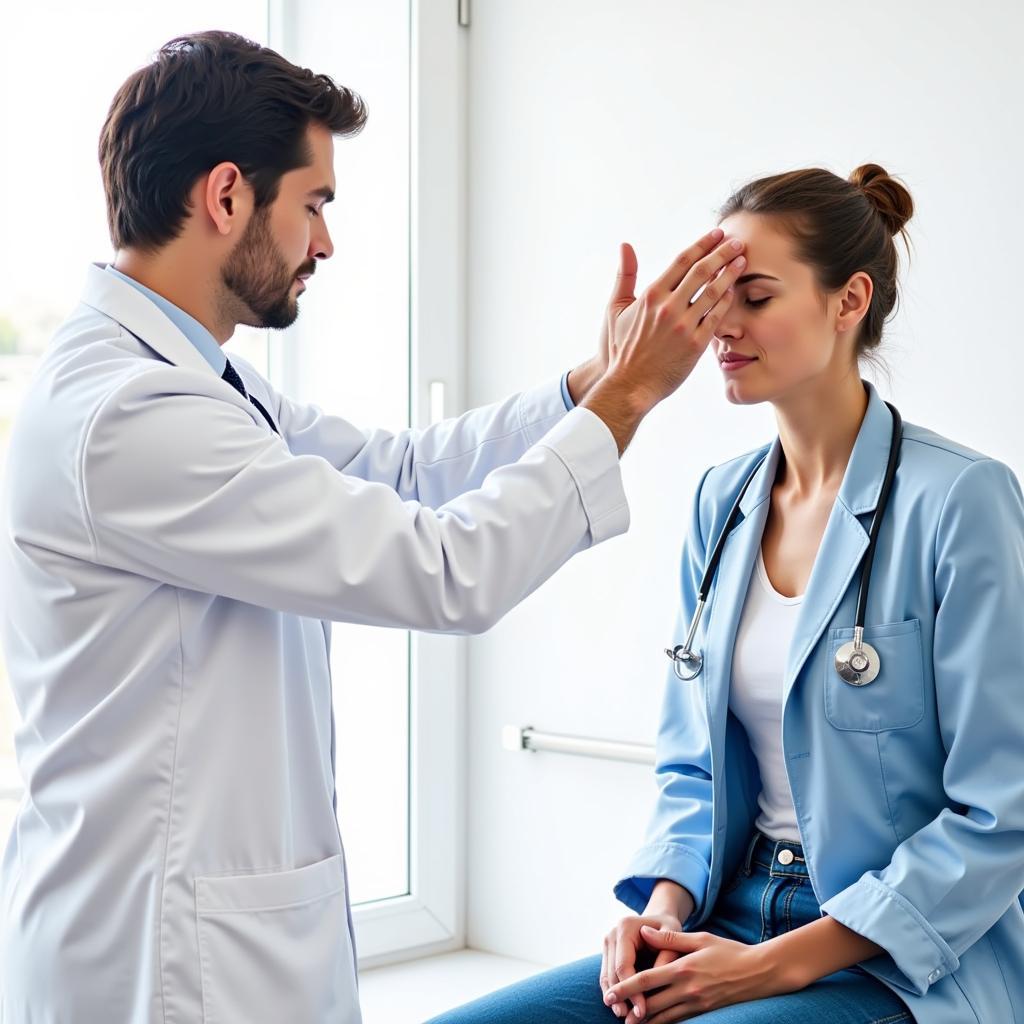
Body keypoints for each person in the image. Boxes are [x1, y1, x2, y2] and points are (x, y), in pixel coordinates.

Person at [0, 30, 749, 1024]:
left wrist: (590, 382)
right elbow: (441, 571)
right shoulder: (132, 416)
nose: (325, 242)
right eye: (313, 203)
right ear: (226, 197)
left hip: (212, 930)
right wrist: (623, 407)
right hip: (165, 957)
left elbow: (401, 469)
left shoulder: (192, 381)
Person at [426, 165, 1024, 1024]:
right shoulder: (724, 501)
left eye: (754, 296)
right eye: (714, 297)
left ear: (848, 301)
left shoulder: (960, 499)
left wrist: (774, 968)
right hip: (728, 912)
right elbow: (694, 766)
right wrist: (660, 914)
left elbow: (1001, 810)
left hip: (899, 954)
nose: (720, 327)